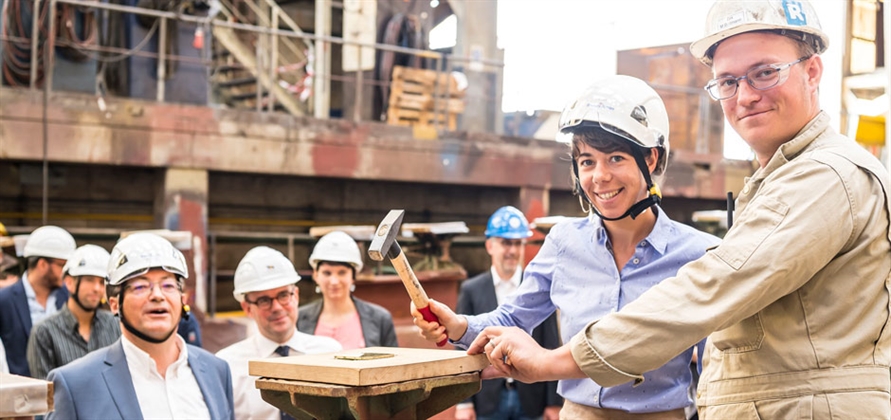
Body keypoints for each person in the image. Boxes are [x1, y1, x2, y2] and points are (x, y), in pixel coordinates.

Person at [467, 1, 891, 418]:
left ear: (812, 70)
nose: (744, 96)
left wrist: (553, 362)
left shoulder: (823, 177)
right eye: (727, 82)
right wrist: (459, 328)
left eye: (764, 73)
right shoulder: (779, 181)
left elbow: (712, 292)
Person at [413, 75, 721, 419]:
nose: (599, 176)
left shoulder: (699, 254)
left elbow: (718, 370)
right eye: (587, 161)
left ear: (650, 159)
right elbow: (514, 318)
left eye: (615, 158)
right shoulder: (563, 243)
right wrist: (457, 326)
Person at [46, 233, 234, 419]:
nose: (157, 295)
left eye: (168, 285)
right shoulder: (76, 385)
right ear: (114, 304)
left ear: (182, 299)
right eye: (140, 287)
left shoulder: (216, 372)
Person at [454, 206, 563, 420]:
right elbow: (460, 346)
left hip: (531, 399)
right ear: (489, 245)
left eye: (517, 243)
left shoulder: (538, 287)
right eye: (505, 243)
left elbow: (551, 344)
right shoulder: (472, 289)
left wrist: (554, 402)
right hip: (487, 397)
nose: (512, 251)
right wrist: (463, 401)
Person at [217, 246, 341, 420]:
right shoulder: (227, 366)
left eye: (283, 295)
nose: (276, 307)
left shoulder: (330, 353)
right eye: (264, 300)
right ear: (247, 308)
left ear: (295, 295)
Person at [26, 244, 121, 379]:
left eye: (101, 282)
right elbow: (43, 391)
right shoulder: (44, 332)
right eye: (89, 280)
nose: (97, 288)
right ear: (70, 282)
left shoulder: (115, 325)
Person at [298, 231, 398, 349]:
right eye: (327, 273)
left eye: (342, 273)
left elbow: (393, 364)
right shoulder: (299, 319)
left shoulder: (380, 319)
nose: (334, 281)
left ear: (354, 275)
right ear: (315, 275)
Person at [0, 225, 76, 376]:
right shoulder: (4, 301)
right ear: (42, 265)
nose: (67, 272)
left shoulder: (69, 298)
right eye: (62, 265)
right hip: (20, 394)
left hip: (61, 392)